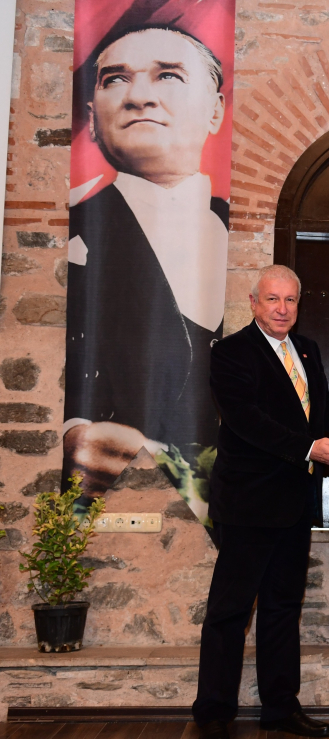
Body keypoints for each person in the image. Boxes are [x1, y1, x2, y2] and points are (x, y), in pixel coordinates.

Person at [63, 24, 229, 519]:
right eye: (115, 79)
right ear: (92, 119)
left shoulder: (241, 229)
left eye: (168, 75)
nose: (138, 97)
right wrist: (76, 435)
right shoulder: (75, 236)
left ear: (216, 110)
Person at [192, 265, 329, 739]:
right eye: (272, 299)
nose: (282, 309)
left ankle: (281, 708)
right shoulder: (231, 352)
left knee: (283, 609)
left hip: (294, 504)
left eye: (290, 300)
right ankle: (214, 712)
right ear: (253, 302)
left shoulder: (307, 349)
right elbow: (246, 420)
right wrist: (309, 448)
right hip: (247, 505)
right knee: (229, 612)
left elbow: (314, 411)